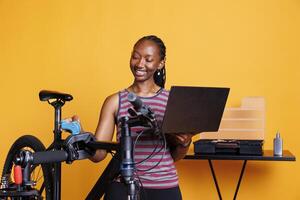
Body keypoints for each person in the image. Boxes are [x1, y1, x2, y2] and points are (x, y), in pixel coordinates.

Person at [78, 35, 193, 200]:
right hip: (122, 186)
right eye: (135, 57)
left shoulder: (171, 101)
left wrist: (184, 142)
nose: (140, 64)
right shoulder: (115, 101)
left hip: (164, 186)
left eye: (148, 59)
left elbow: (175, 156)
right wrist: (82, 136)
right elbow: (99, 155)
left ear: (160, 63)